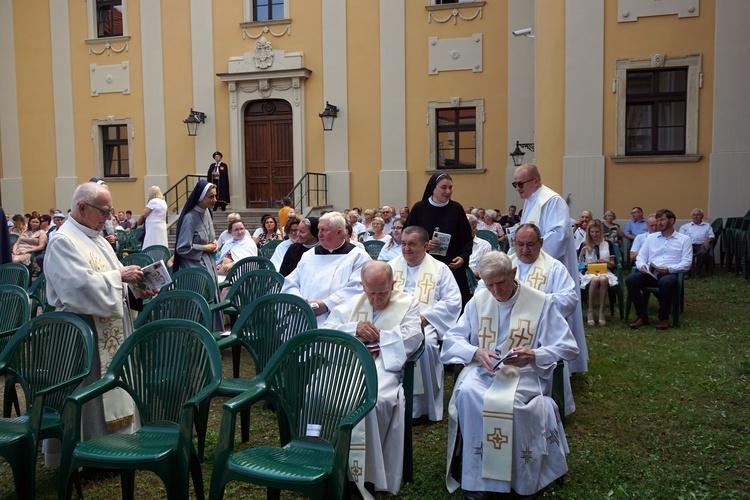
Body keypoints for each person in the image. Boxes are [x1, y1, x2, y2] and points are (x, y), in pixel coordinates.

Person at [442, 251, 579, 498]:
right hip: (484, 371)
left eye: (500, 283)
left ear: (513, 273)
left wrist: (534, 355)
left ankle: (519, 478)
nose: (495, 291)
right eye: (489, 284)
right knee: (468, 394)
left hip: (524, 373)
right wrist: (475, 352)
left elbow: (568, 346)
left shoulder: (540, 302)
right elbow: (453, 338)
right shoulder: (478, 300)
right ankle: (478, 480)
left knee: (511, 405)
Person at [44, 182, 156, 466]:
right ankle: (90, 451)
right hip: (83, 334)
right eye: (103, 211)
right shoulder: (63, 241)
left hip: (108, 326)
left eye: (110, 211)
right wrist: (120, 278)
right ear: (81, 207)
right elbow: (77, 288)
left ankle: (119, 443)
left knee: (111, 386)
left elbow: (113, 278)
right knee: (89, 391)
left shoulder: (95, 237)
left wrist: (135, 288)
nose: (108, 218)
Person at [323, 261, 422, 497]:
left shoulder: (408, 303)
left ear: (393, 284)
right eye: (371, 293)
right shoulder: (353, 303)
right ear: (362, 287)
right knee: (319, 393)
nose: (377, 299)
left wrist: (381, 341)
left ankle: (367, 474)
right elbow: (329, 327)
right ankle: (328, 465)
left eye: (383, 293)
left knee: (374, 401)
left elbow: (413, 336)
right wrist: (354, 330)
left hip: (386, 365)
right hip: (349, 362)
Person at [514, 163, 588, 373]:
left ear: (536, 181)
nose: (518, 188)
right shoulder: (531, 201)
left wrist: (536, 257)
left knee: (553, 309)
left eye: (521, 183)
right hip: (529, 262)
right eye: (515, 184)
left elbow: (560, 234)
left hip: (548, 266)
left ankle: (562, 362)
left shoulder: (552, 200)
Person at [389, 226, 461, 422]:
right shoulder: (392, 266)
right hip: (394, 322)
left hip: (425, 322)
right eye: (403, 244)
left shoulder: (440, 269)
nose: (406, 249)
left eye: (412, 244)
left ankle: (423, 407)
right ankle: (391, 400)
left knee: (426, 344)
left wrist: (424, 317)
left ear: (426, 245)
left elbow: (452, 301)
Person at [507, 223, 580, 416]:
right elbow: (484, 290)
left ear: (541, 243)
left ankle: (550, 403)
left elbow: (570, 300)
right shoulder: (506, 263)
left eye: (530, 244)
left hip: (542, 329)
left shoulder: (554, 267)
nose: (524, 250)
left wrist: (536, 301)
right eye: (519, 244)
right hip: (506, 327)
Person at [281, 212, 371, 326]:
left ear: (339, 232)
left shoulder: (358, 257)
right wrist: (300, 303)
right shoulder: (309, 255)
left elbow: (358, 289)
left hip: (337, 321)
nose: (319, 235)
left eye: (324, 230)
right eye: (319, 230)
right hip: (302, 318)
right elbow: (291, 282)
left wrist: (326, 305)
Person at [405, 172, 474, 306]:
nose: (448, 191)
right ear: (433, 188)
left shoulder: (457, 209)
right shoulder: (420, 208)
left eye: (450, 187)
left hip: (452, 266)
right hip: (424, 267)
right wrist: (423, 244)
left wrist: (463, 257)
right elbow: (407, 234)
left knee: (455, 305)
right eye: (444, 187)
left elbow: (466, 238)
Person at [626, 208, 692, 330]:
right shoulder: (651, 238)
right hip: (651, 272)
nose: (658, 223)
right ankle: (642, 316)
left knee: (665, 282)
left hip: (669, 273)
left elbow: (687, 263)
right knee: (631, 280)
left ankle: (663, 318)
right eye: (657, 220)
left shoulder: (684, 239)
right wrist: (643, 266)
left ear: (671, 221)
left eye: (662, 220)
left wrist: (669, 269)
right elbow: (640, 257)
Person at [173, 180, 223, 331]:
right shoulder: (189, 218)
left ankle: (213, 334)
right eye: (211, 197)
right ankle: (197, 337)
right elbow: (182, 248)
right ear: (201, 198)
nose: (215, 200)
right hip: (195, 269)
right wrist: (205, 248)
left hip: (209, 265)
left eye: (215, 196)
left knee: (212, 299)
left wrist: (214, 243)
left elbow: (209, 237)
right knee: (200, 304)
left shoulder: (208, 212)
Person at [577, 219, 618, 326]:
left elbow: (613, 264)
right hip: (589, 272)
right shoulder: (584, 244)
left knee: (603, 279)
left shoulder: (608, 243)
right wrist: (581, 254)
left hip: (604, 270)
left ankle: (601, 311)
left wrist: (606, 261)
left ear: (601, 232)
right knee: (595, 280)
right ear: (588, 233)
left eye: (597, 232)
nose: (594, 234)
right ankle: (590, 311)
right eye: (592, 232)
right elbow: (579, 265)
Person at [678, 208, 715, 278]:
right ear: (692, 216)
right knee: (684, 252)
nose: (695, 216)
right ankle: (686, 273)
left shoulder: (707, 226)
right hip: (688, 245)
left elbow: (712, 236)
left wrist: (708, 241)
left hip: (701, 245)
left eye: (698, 215)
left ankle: (697, 272)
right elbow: (680, 237)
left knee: (703, 253)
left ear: (702, 216)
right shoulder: (685, 226)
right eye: (694, 215)